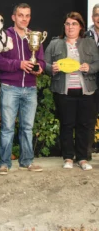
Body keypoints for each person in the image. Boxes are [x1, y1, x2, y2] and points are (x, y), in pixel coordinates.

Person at [0, 3, 45, 175]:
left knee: (27, 127)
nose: (24, 18)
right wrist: (19, 64)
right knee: (7, 128)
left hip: (30, 88)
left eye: (27, 15)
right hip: (10, 88)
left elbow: (42, 61)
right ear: (13, 17)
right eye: (21, 15)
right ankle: (4, 163)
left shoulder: (34, 36)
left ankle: (26, 161)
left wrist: (39, 69)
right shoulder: (5, 36)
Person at [45, 11, 99, 170]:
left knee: (84, 125)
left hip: (86, 91)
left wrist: (90, 67)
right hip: (64, 91)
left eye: (74, 24)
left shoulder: (89, 43)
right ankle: (68, 158)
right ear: (64, 26)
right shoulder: (55, 43)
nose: (70, 27)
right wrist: (52, 69)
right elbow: (44, 64)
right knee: (67, 125)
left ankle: (82, 159)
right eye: (68, 24)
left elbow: (97, 63)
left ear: (81, 26)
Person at [84, 4, 99, 159]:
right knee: (88, 119)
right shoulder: (85, 35)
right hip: (90, 82)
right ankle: (85, 153)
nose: (98, 18)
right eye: (96, 14)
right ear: (92, 17)